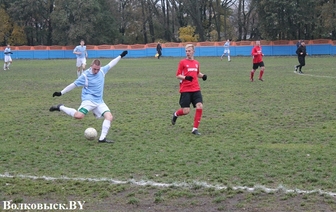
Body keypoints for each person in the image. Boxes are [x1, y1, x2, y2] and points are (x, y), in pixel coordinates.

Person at [49, 50, 128, 143]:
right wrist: (61, 93)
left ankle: (102, 139)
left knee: (109, 117)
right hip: (88, 101)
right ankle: (60, 107)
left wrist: (121, 56)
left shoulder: (102, 71)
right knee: (78, 116)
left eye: (98, 69)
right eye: (95, 69)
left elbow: (111, 63)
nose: (96, 71)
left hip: (99, 102)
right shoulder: (85, 76)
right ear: (91, 66)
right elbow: (73, 84)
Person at [171, 44, 207, 135]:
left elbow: (197, 73)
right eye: (186, 51)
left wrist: (203, 76)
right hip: (185, 89)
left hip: (196, 88)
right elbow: (178, 75)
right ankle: (176, 114)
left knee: (199, 106)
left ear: (193, 51)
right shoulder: (182, 62)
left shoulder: (196, 63)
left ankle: (194, 129)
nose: (188, 53)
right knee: (186, 111)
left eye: (189, 51)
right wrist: (186, 78)